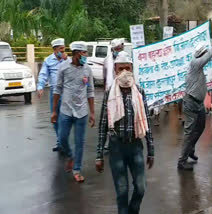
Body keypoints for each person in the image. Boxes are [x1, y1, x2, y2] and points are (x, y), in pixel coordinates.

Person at [96, 51, 154, 214]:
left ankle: (133, 211)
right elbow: (102, 125)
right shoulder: (110, 94)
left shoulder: (139, 92)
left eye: (127, 68)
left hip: (136, 146)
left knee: (141, 188)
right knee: (122, 192)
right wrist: (99, 155)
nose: (124, 73)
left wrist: (151, 151)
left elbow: (147, 122)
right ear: (115, 70)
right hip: (116, 148)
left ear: (132, 69)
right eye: (120, 69)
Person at [177, 31, 212, 171]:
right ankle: (182, 161)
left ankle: (190, 149)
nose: (206, 56)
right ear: (200, 54)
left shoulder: (197, 65)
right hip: (191, 102)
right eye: (204, 53)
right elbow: (210, 54)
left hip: (198, 103)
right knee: (189, 131)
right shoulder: (196, 63)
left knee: (200, 127)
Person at [51, 41, 95, 182]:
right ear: (76, 53)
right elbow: (57, 89)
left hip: (82, 111)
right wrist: (54, 111)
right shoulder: (63, 67)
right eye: (84, 53)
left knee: (80, 142)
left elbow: (90, 91)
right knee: (62, 138)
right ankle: (70, 155)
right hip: (66, 110)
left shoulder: (87, 70)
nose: (86, 56)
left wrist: (92, 112)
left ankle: (77, 169)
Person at [37, 38, 68, 152]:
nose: (63, 51)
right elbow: (43, 74)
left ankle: (64, 142)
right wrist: (40, 86)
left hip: (67, 94)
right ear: (55, 50)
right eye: (61, 49)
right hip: (55, 94)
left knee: (65, 118)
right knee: (55, 118)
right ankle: (60, 142)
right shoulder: (48, 60)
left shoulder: (68, 61)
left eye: (63, 49)